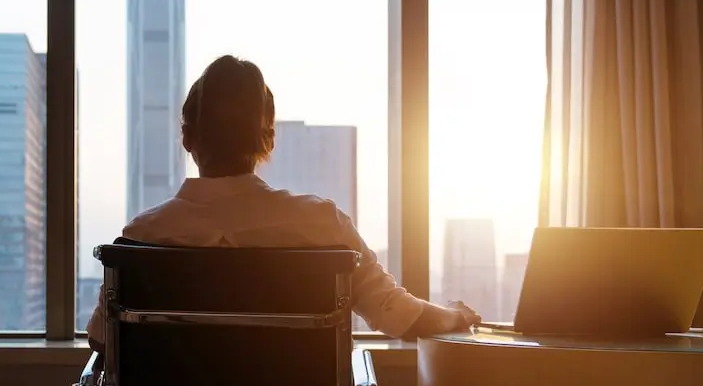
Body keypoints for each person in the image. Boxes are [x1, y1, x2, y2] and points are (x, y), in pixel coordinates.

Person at [87, 55, 480, 349]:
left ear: (187, 137)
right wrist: (456, 317)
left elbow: (102, 339)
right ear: (268, 140)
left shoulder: (142, 239)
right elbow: (397, 313)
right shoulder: (322, 225)